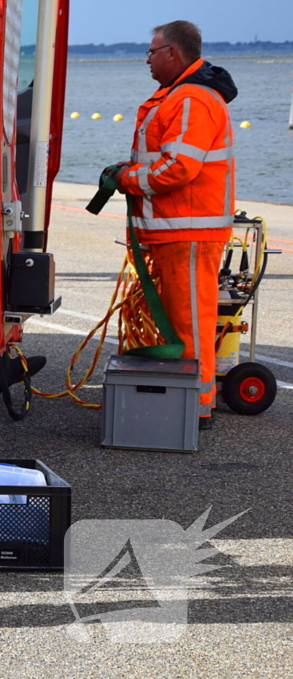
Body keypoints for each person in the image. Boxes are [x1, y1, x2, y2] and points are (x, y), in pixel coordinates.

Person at [112, 20, 237, 429]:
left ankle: (196, 408)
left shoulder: (191, 99)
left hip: (189, 231)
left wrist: (128, 179)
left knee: (189, 324)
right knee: (180, 322)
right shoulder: (177, 96)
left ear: (172, 53)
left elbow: (179, 167)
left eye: (151, 51)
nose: (147, 59)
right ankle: (186, 402)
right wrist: (129, 172)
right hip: (176, 231)